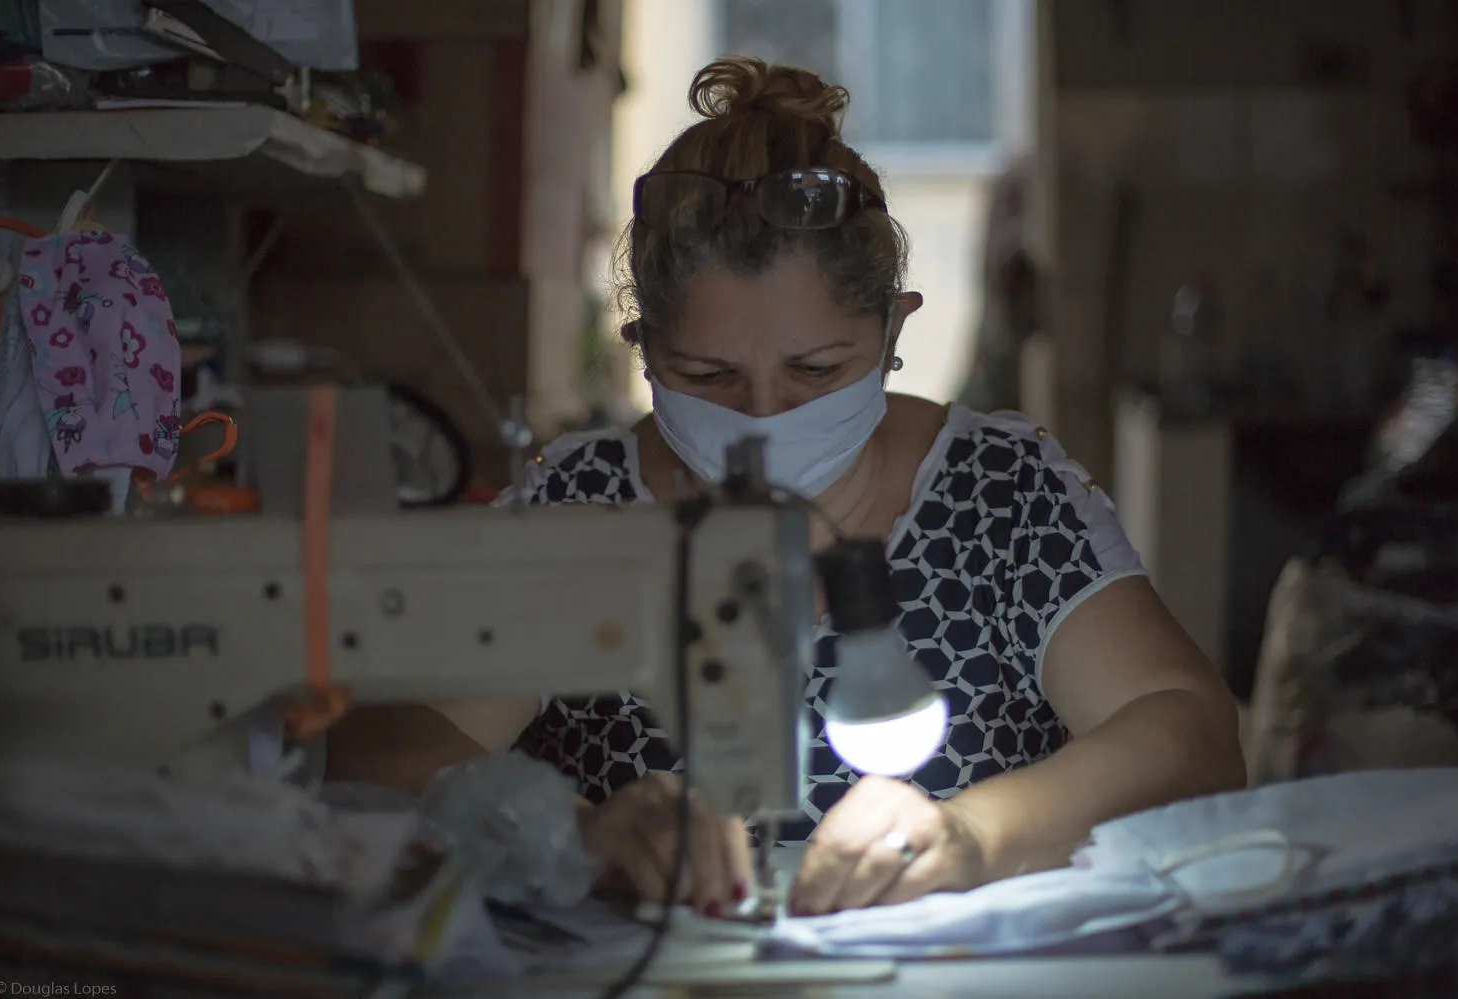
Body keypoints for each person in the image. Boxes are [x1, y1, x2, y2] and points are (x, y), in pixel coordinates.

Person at [327, 57, 1245, 920]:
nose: (763, 415)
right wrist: (577, 832)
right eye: (706, 373)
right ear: (641, 349)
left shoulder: (1004, 496)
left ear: (892, 330)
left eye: (814, 370)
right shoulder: (580, 509)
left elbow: (1190, 735)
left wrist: (974, 834)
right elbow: (385, 748)